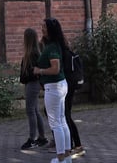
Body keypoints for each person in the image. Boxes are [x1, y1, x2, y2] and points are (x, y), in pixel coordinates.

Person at [34, 17, 72, 163]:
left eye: (44, 26)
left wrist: (40, 70)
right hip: (61, 85)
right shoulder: (55, 44)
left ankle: (61, 158)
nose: (41, 28)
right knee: (62, 121)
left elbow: (55, 69)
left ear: (49, 29)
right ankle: (66, 156)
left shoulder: (52, 48)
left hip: (54, 87)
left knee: (56, 123)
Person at [19, 27, 49, 151]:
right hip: (31, 83)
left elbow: (33, 72)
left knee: (30, 110)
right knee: (35, 110)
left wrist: (26, 77)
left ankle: (32, 139)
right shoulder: (34, 53)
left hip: (32, 83)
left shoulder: (33, 54)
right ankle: (42, 137)